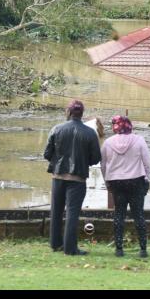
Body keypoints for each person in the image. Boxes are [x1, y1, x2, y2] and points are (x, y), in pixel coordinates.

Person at [43, 99, 101, 255]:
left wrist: (58, 161)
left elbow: (47, 154)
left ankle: (55, 244)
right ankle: (70, 249)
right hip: (77, 180)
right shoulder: (90, 133)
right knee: (72, 214)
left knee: (56, 211)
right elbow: (96, 158)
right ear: (82, 114)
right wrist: (83, 160)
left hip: (58, 177)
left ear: (68, 112)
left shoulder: (56, 129)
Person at [100, 115, 150, 258]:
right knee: (138, 215)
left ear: (115, 126)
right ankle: (143, 249)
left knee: (119, 215)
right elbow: (147, 162)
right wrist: (148, 179)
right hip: (136, 181)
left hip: (117, 183)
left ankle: (119, 249)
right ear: (129, 126)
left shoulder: (107, 143)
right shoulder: (139, 140)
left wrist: (107, 181)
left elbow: (103, 165)